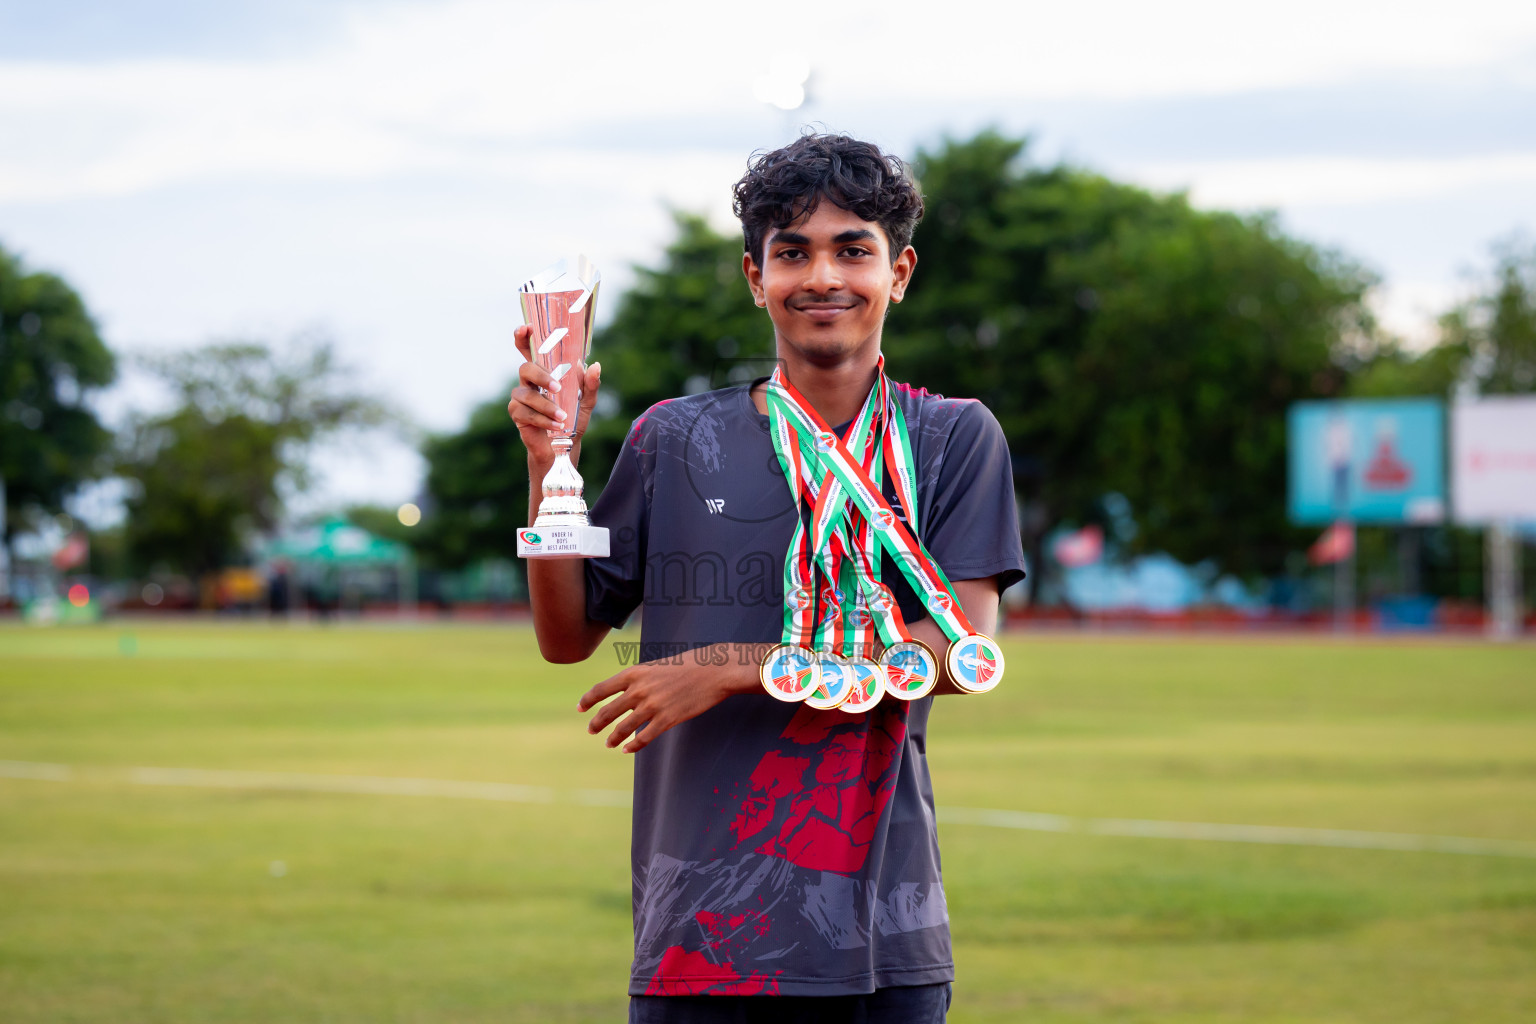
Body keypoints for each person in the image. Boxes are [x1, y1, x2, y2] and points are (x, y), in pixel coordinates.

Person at [508, 133, 1025, 1023]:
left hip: (880, 933)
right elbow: (566, 638)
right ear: (757, 277)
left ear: (899, 272)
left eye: (853, 250)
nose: (823, 276)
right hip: (697, 934)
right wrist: (549, 462)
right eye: (792, 253)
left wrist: (734, 666)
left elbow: (954, 653)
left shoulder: (953, 437)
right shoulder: (674, 438)